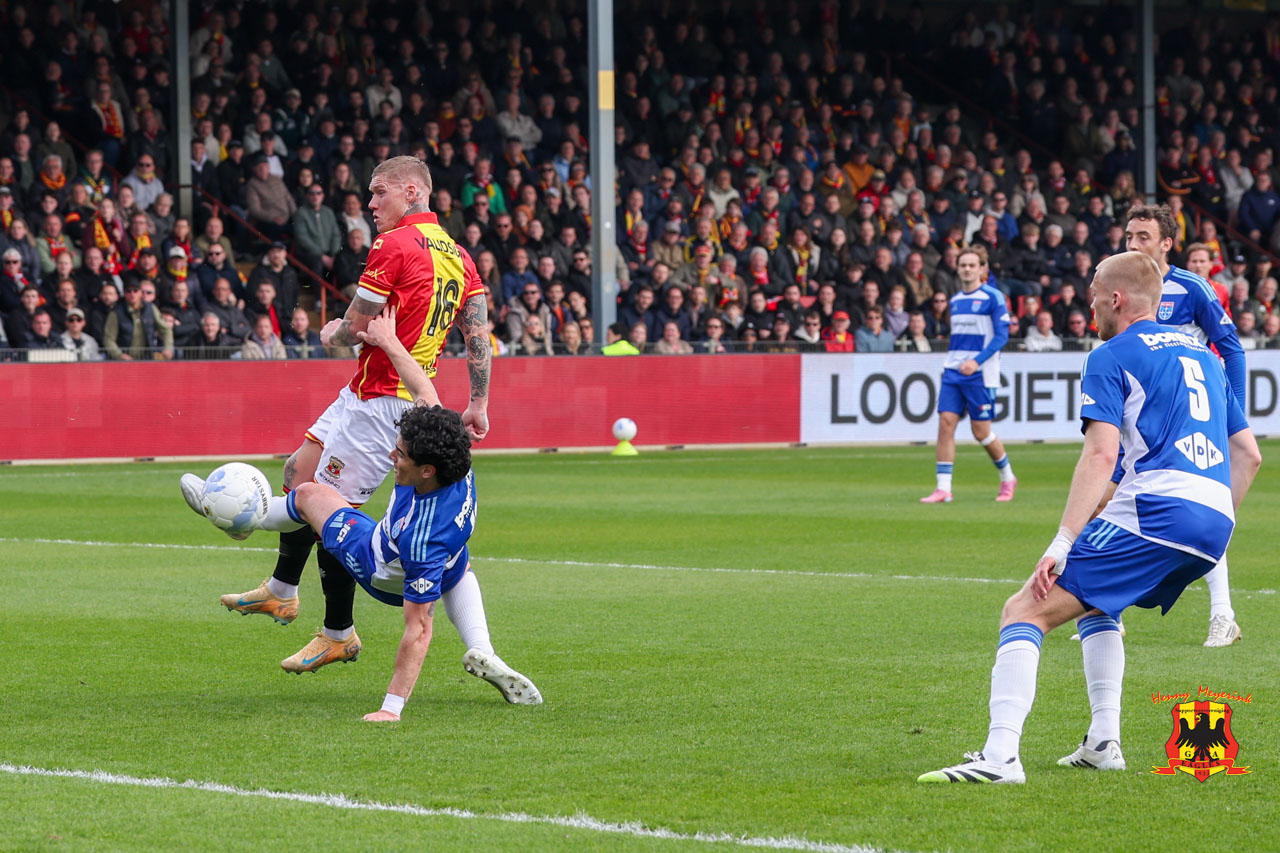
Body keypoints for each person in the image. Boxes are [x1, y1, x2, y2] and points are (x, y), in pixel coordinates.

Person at [918, 252, 1261, 785]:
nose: (1091, 301)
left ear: (1117, 299)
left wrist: (1060, 542)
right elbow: (1249, 456)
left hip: (1158, 510)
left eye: (1096, 292)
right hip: (1212, 521)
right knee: (1098, 603)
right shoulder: (1204, 356)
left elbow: (1101, 455)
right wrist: (1215, 526)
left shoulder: (1110, 354)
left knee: (1024, 609)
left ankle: (1000, 757)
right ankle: (1104, 742)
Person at [208, 156, 491, 673]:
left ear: (412, 192)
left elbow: (357, 324)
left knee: (333, 516)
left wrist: (331, 331)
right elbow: (477, 331)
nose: (370, 203)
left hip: (383, 403)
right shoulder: (459, 256)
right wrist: (479, 400)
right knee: (299, 472)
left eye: (379, 192)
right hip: (367, 390)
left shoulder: (394, 243)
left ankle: (337, 632)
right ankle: (281, 589)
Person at [182, 307, 540, 717]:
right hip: (448, 555)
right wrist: (388, 342)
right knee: (457, 567)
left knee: (309, 495)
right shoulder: (454, 455)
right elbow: (423, 388)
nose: (392, 455)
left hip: (381, 567)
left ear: (427, 469)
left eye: (400, 454)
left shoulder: (421, 537)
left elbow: (419, 630)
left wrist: (391, 709)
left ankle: (238, 514)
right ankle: (481, 647)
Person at [1123, 204, 1246, 647]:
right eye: (1129, 236)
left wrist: (1234, 416)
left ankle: (1222, 614)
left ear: (1166, 243)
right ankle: (1105, 611)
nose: (1133, 244)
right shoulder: (1123, 286)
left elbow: (1231, 350)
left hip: (1189, 421)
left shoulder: (1192, 288)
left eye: (1142, 237)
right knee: (1108, 502)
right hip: (1138, 420)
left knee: (1202, 506)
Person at [921, 246, 1016, 503]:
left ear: (982, 269)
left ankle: (1008, 477)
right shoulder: (955, 300)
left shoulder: (993, 298)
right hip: (953, 370)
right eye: (963, 265)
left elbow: (1001, 336)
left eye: (972, 265)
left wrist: (977, 361)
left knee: (981, 432)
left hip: (980, 374)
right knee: (945, 424)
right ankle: (943, 488)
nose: (966, 269)